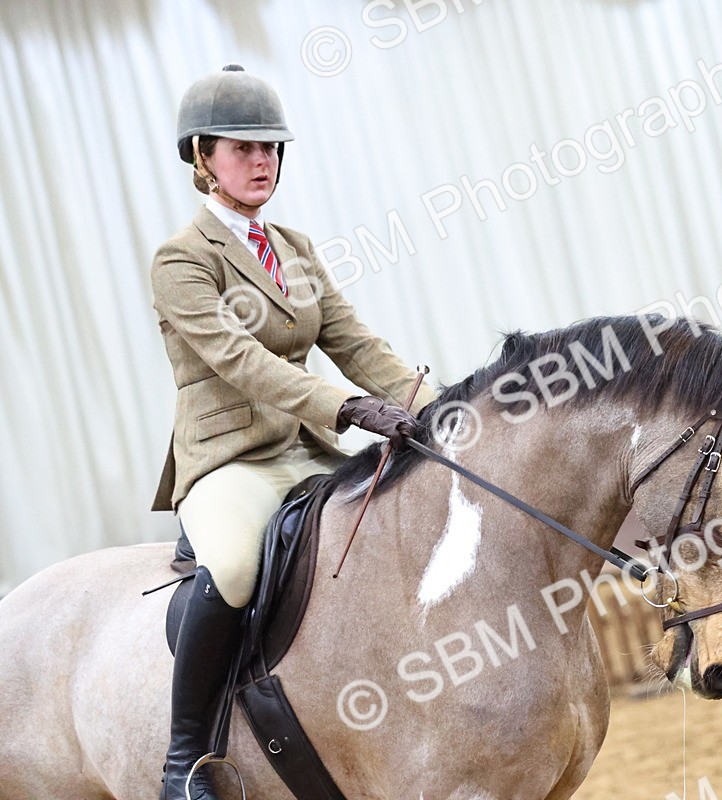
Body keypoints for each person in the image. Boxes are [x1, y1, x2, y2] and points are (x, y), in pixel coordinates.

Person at [149, 64, 436, 799]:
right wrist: (346, 409)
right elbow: (240, 362)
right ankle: (184, 763)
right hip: (229, 461)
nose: (260, 161)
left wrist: (437, 405)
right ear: (202, 157)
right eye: (242, 148)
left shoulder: (296, 249)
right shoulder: (181, 260)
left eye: (271, 148)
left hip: (306, 452)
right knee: (238, 566)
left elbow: (354, 342)